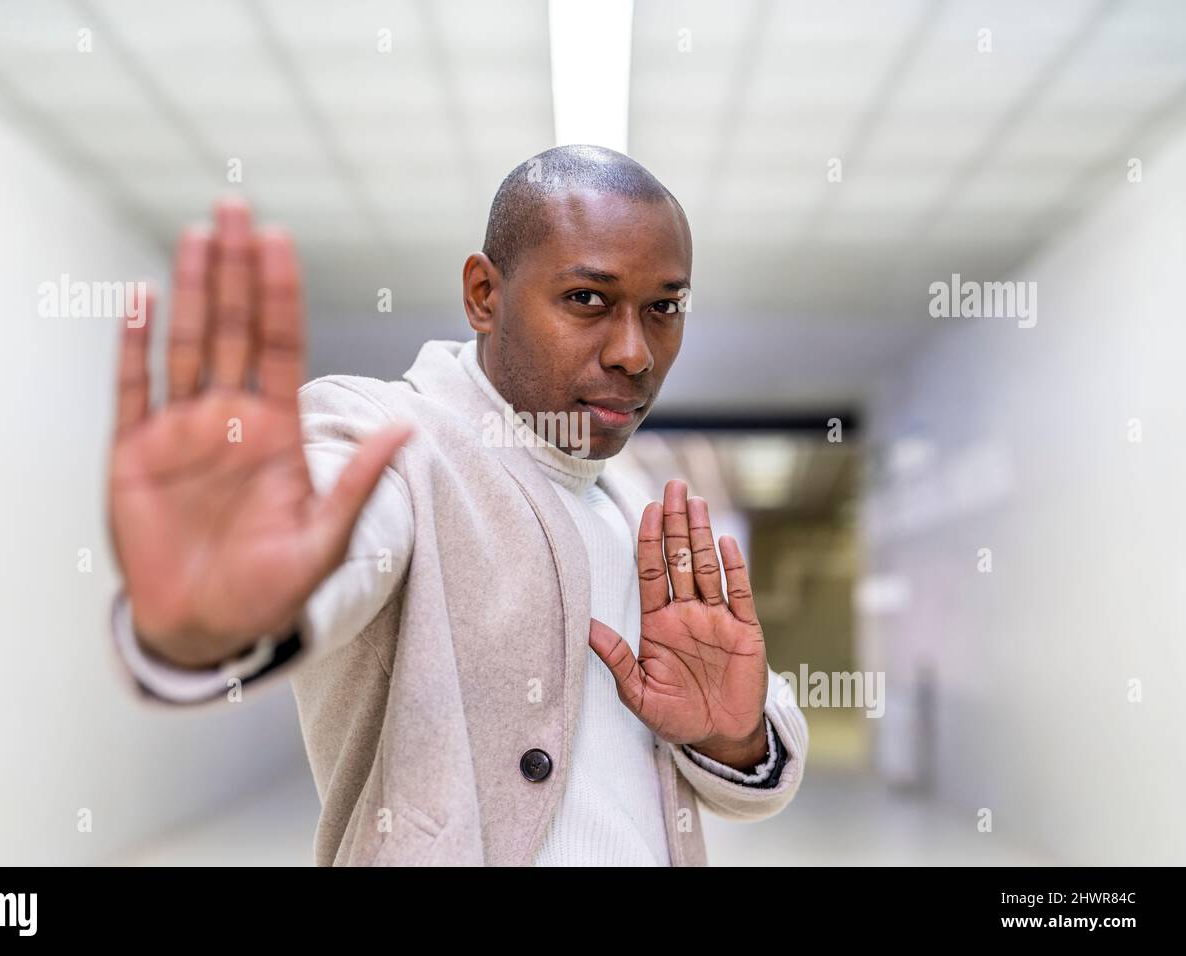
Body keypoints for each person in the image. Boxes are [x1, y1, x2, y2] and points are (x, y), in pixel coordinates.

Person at [107, 145, 808, 866]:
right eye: (587, 299)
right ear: (483, 294)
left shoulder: (640, 507)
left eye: (664, 308)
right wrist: (230, 607)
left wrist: (733, 738)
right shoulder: (392, 440)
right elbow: (338, 527)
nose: (635, 352)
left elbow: (753, 764)